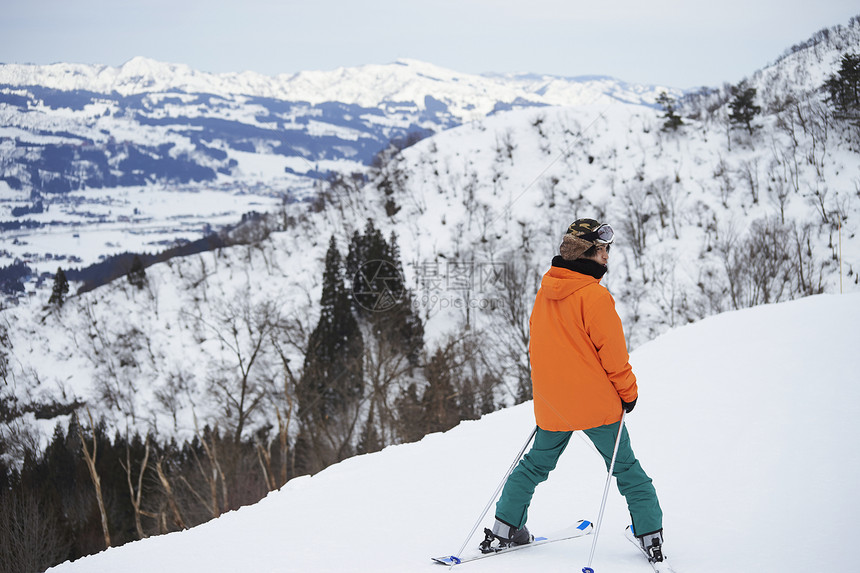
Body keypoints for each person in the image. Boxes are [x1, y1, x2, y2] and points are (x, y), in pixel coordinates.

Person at [481, 218, 665, 562]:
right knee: (626, 469)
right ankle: (650, 535)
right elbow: (615, 357)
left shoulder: (544, 294)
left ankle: (505, 529)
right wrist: (629, 394)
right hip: (597, 406)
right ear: (587, 254)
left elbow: (540, 350)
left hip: (555, 406)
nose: (607, 256)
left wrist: (549, 396)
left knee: (534, 466)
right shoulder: (594, 297)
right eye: (602, 250)